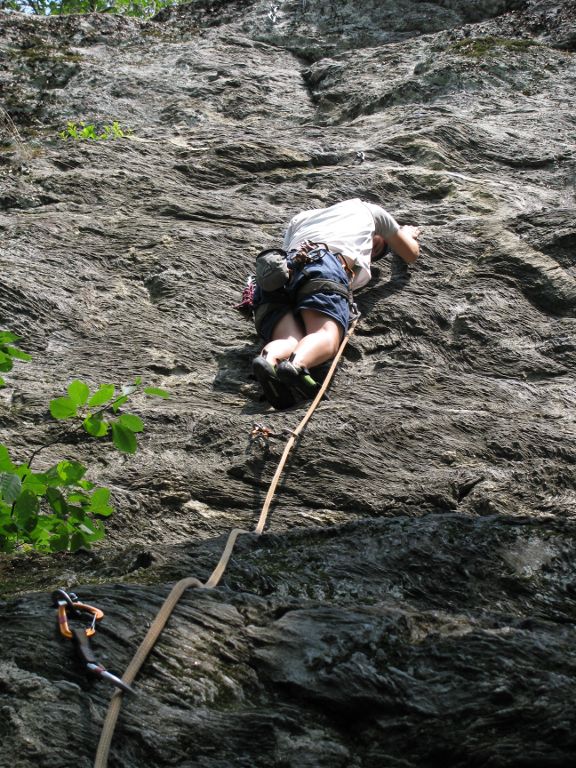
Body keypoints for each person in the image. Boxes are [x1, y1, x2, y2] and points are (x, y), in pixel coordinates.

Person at [251, 198, 421, 408]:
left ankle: (268, 361)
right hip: (321, 266)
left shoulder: (301, 218)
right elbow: (410, 254)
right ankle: (295, 366)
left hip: (276, 275)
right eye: (377, 246)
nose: (373, 251)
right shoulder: (371, 211)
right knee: (325, 336)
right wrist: (406, 234)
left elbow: (288, 254)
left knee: (289, 339)